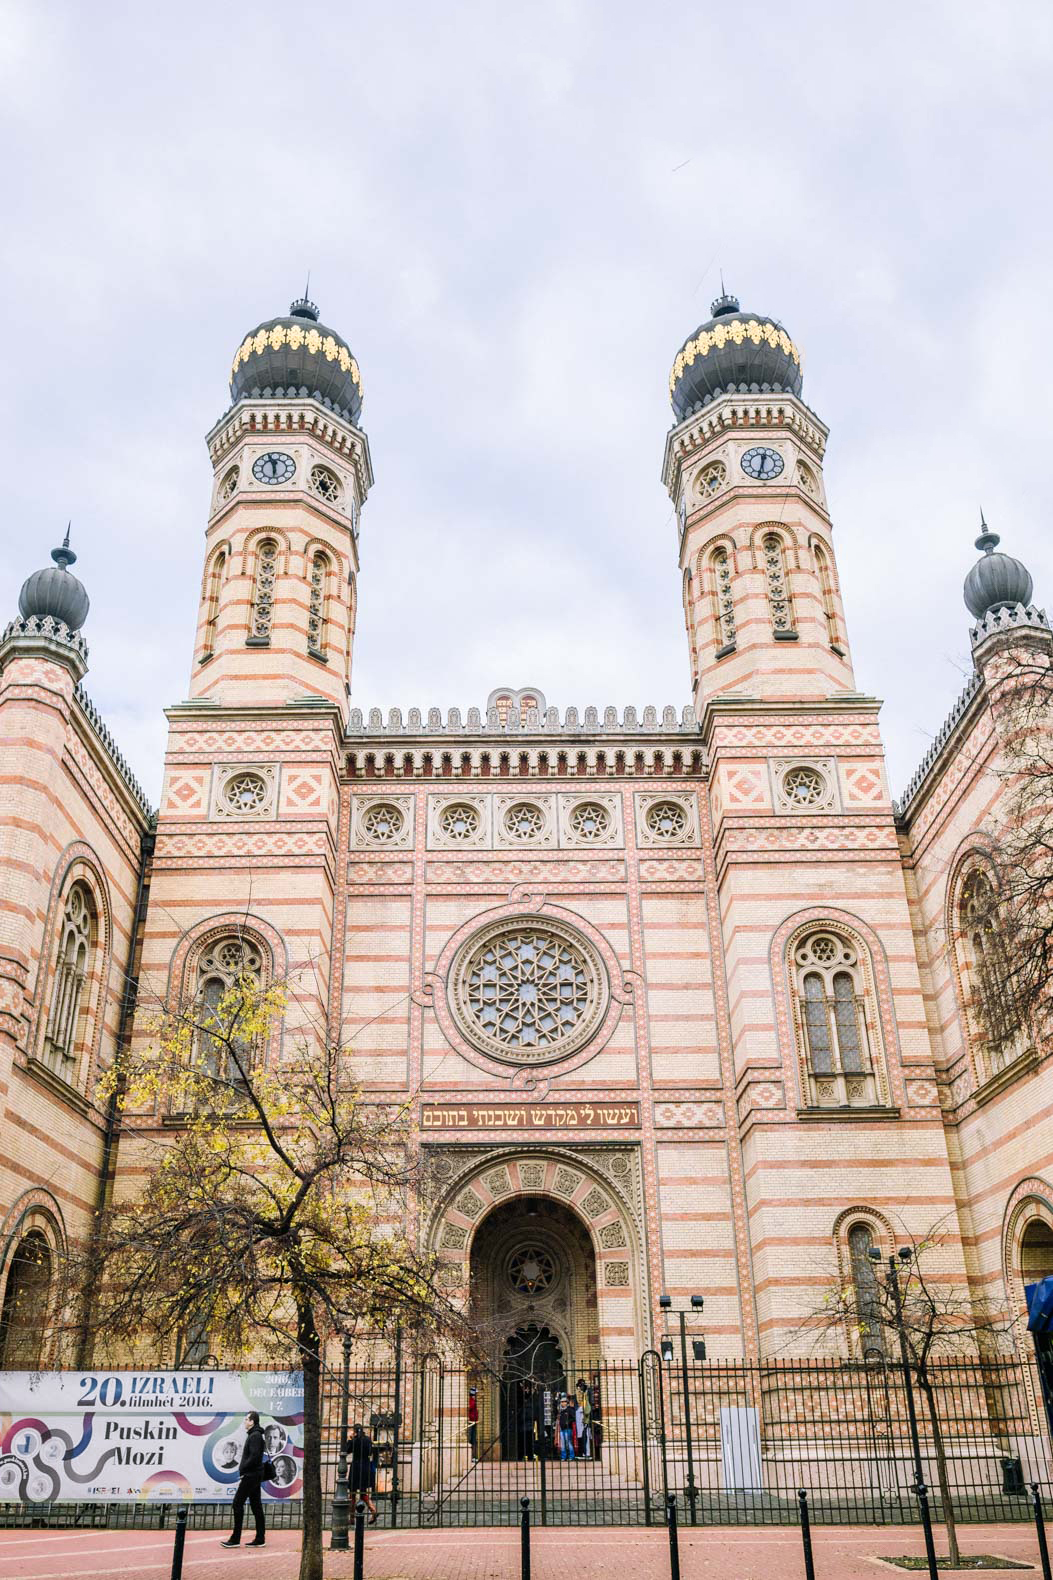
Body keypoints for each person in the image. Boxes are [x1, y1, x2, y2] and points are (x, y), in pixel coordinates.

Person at [221, 1410, 266, 1548]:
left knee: (237, 1504)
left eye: (247, 1419)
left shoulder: (255, 1436)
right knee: (256, 1506)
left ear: (252, 1421)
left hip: (251, 1475)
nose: (245, 1421)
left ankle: (235, 1539)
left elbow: (254, 1457)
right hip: (254, 1475)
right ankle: (260, 1538)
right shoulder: (254, 1435)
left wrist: (243, 1469)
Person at [345, 1422, 378, 1523]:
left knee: (353, 1493)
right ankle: (373, 1510)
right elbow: (370, 1452)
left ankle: (351, 1517)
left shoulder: (354, 1440)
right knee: (363, 1491)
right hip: (365, 1466)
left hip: (356, 1467)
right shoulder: (368, 1440)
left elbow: (346, 1450)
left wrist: (350, 1440)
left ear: (354, 1431)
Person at [557, 1394, 576, 1461]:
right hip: (562, 1429)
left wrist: (568, 1422)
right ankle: (563, 1456)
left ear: (566, 1402)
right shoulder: (561, 1410)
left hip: (568, 1428)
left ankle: (571, 1456)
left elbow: (574, 1418)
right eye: (561, 1402)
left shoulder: (569, 1409)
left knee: (568, 1443)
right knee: (563, 1443)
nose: (562, 1403)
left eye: (564, 1402)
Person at [466, 1387, 478, 1460]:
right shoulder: (471, 1401)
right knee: (471, 1439)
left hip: (474, 1422)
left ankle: (473, 1456)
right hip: (471, 1422)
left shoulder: (472, 1401)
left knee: (473, 1439)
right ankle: (471, 1457)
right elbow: (469, 1409)